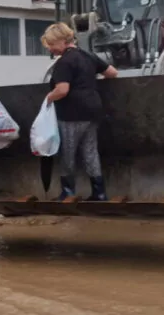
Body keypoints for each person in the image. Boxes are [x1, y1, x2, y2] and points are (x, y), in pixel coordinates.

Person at [42, 23, 118, 201]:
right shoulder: (88, 55)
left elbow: (62, 90)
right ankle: (99, 193)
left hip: (72, 114)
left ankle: (68, 191)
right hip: (93, 111)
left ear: (62, 41)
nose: (51, 49)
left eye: (52, 45)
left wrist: (48, 98)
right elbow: (113, 73)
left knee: (68, 153)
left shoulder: (65, 63)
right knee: (90, 152)